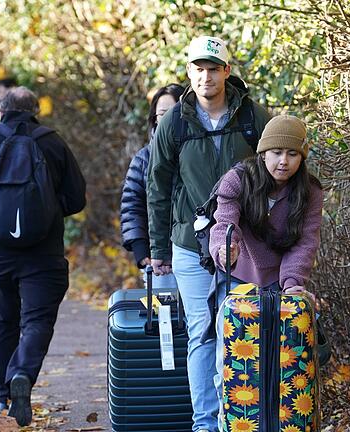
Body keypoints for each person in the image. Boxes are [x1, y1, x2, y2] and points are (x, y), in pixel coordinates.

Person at [146, 35, 271, 431]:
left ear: (226, 72)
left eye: (213, 68)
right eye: (198, 69)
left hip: (244, 246)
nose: (206, 76)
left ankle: (238, 419)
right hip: (189, 244)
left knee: (236, 330)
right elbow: (157, 187)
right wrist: (158, 248)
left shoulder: (254, 118)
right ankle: (205, 424)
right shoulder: (174, 122)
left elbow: (282, 175)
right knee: (201, 331)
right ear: (189, 73)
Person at [0, 86, 86, 426]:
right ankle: (22, 372)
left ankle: (2, 395)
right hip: (44, 253)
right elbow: (77, 197)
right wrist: (49, 214)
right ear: (36, 109)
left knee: (1, 319)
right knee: (37, 320)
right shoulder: (52, 142)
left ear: (0, 108)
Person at [207, 115, 323, 429]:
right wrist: (224, 249)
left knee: (283, 364)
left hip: (279, 283)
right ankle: (230, 424)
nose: (283, 161)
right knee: (231, 363)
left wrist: (293, 284)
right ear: (262, 154)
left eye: (292, 154)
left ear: (302, 157)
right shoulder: (238, 179)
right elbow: (224, 223)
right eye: (276, 153)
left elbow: (305, 242)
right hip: (238, 277)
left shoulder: (309, 191)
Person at [120, 83, 184, 288]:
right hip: (159, 260)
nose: (165, 119)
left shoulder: (197, 156)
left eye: (172, 112)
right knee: (164, 317)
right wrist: (141, 250)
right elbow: (132, 205)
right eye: (161, 114)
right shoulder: (144, 158)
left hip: (198, 256)